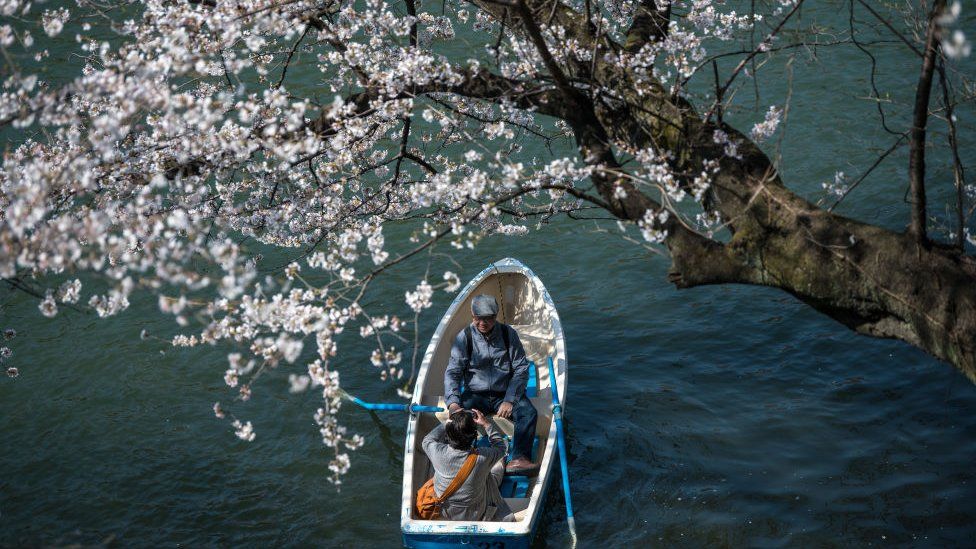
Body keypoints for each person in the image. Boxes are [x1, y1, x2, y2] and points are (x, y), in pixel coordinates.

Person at [444, 294, 538, 473]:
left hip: (504, 392)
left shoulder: (508, 334)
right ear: (472, 315)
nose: (483, 323)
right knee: (457, 420)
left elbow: (521, 369)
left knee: (528, 413)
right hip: (475, 395)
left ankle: (519, 459)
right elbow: (453, 372)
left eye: (488, 318)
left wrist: (510, 399)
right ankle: (460, 459)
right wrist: (453, 403)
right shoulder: (464, 338)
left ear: (495, 316)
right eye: (478, 318)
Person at [422, 408, 513, 521]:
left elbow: (427, 440)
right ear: (473, 435)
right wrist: (486, 424)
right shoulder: (482, 457)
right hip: (475, 514)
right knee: (491, 474)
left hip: (443, 513)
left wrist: (448, 422)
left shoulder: (437, 451)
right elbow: (501, 447)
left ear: (448, 433)